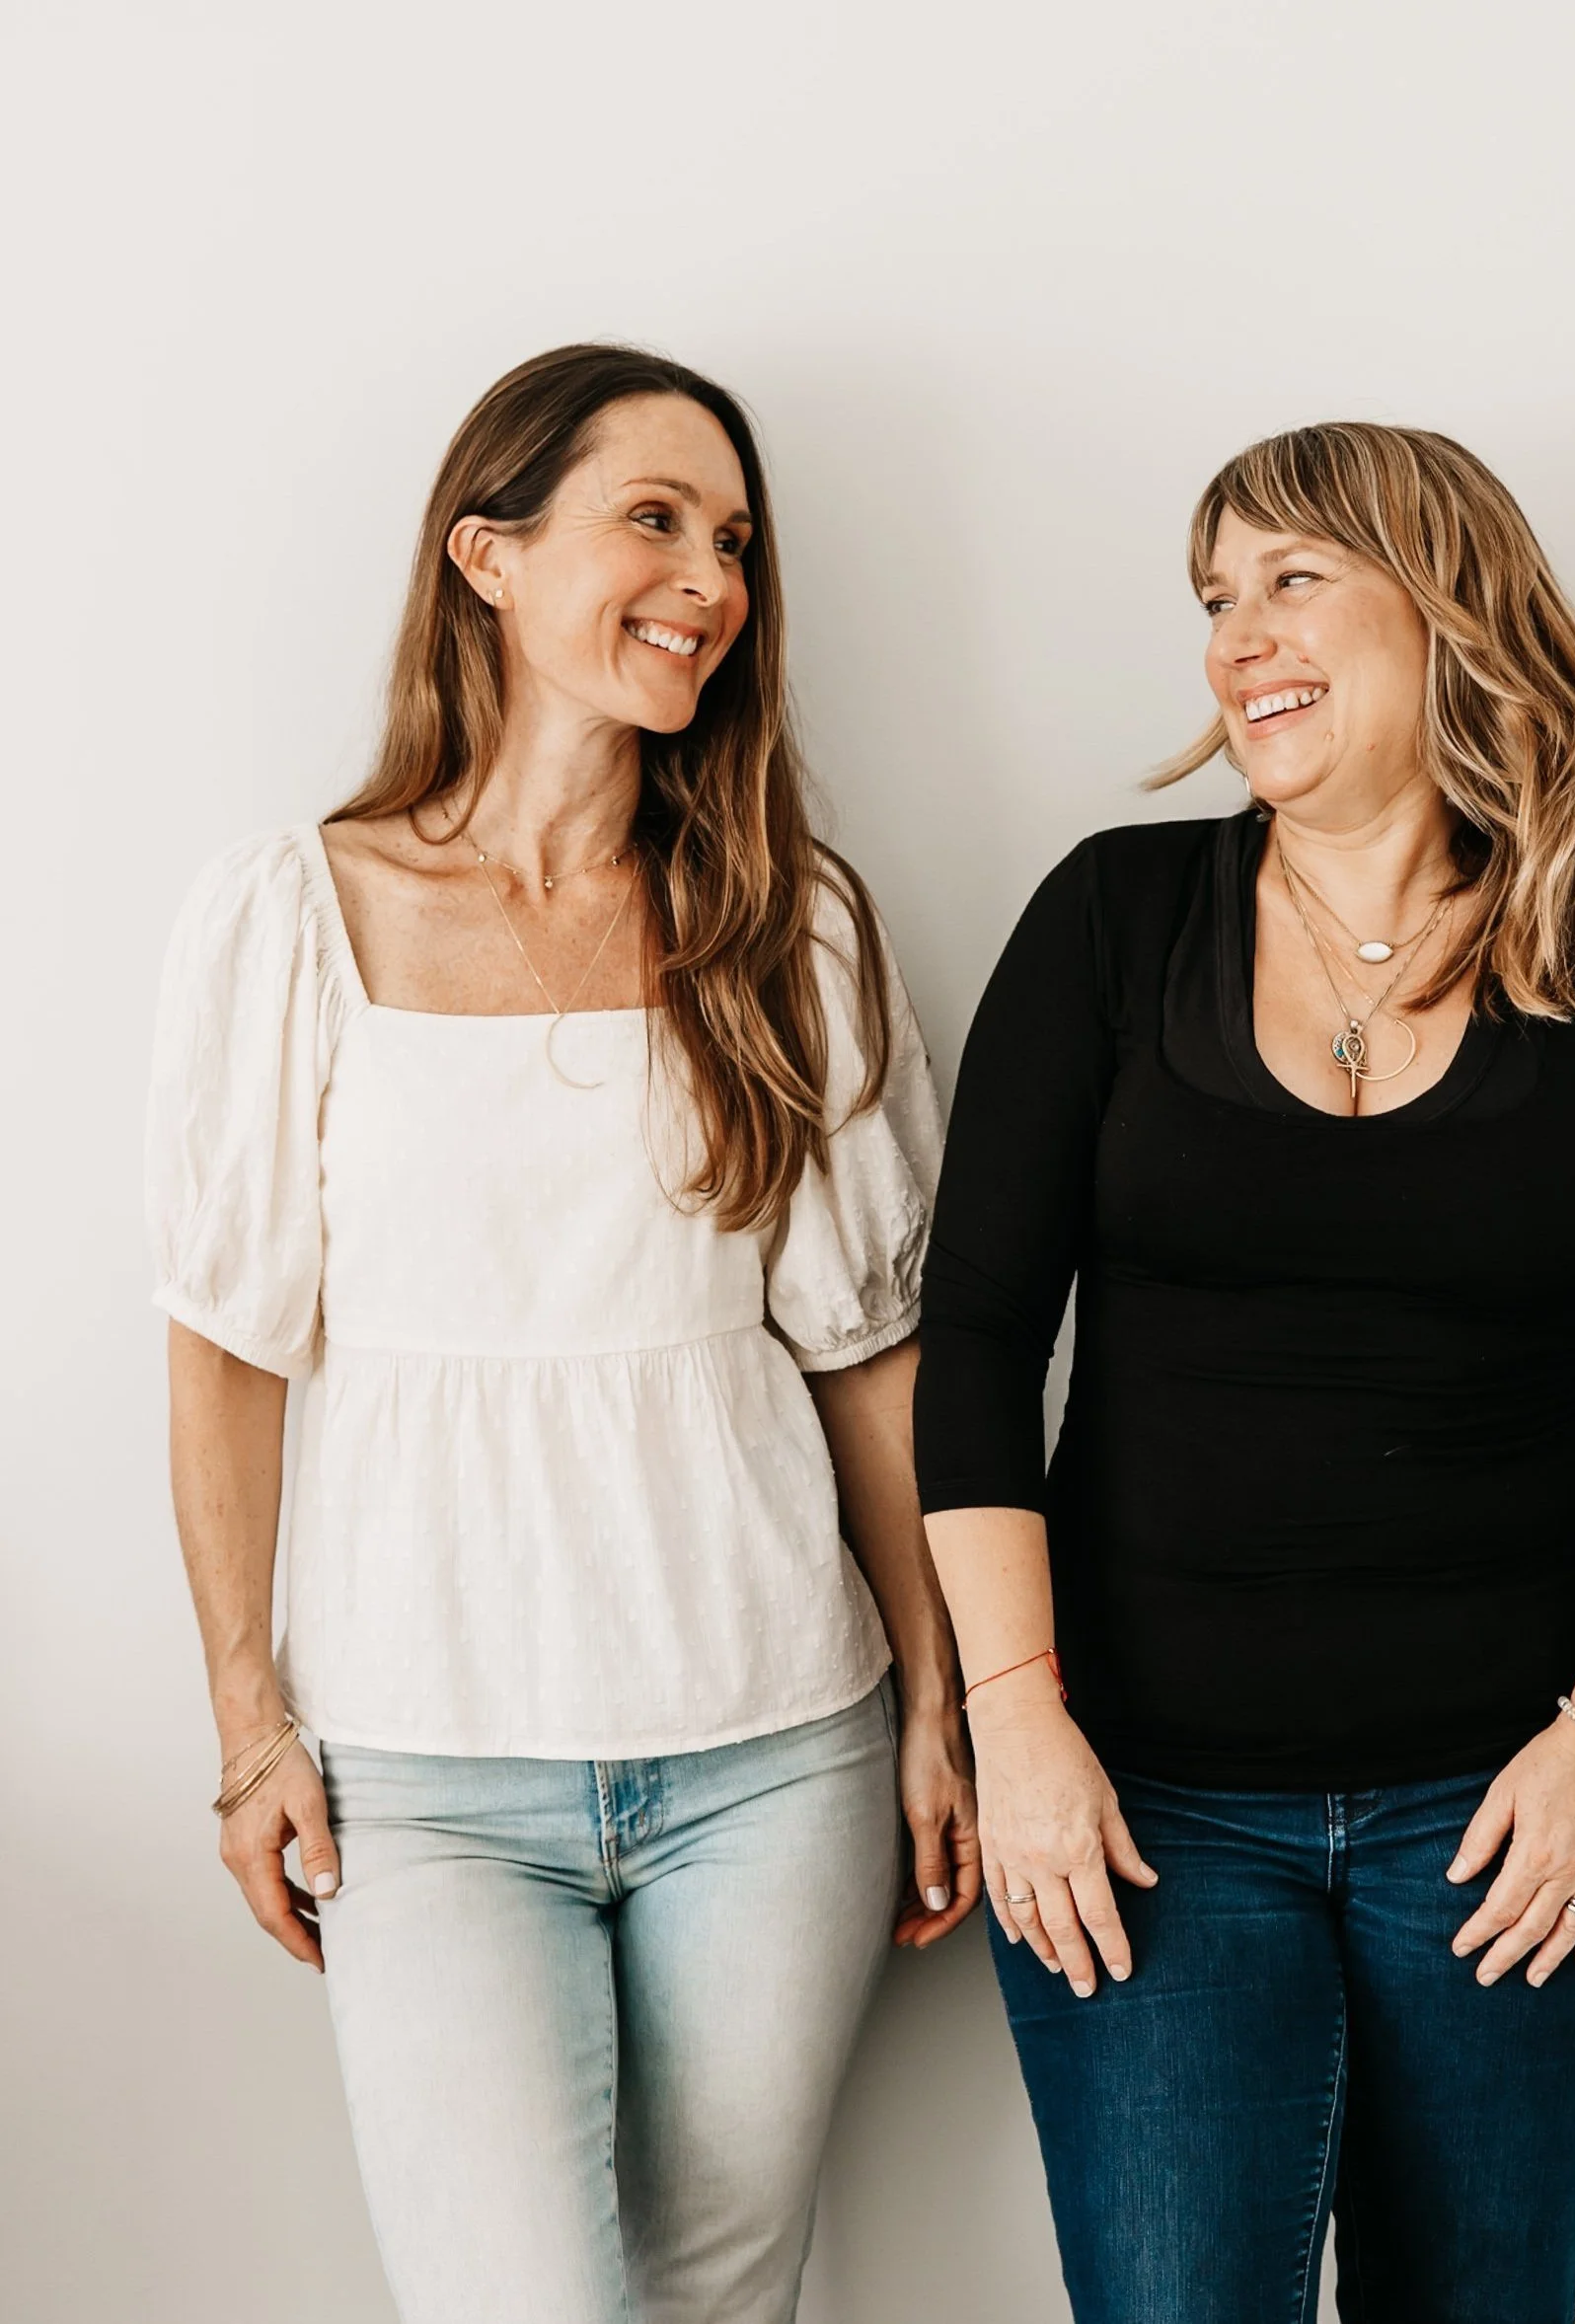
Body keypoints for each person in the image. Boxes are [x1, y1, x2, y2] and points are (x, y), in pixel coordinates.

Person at [148, 342, 978, 2324]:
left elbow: (869, 1355)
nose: (710, 579)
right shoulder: (293, 915)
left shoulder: (788, 923)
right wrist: (249, 1721)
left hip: (775, 1749)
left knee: (716, 2293)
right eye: (656, 520)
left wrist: (941, 1703)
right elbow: (221, 1354)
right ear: (485, 558)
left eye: (734, 542)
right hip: (425, 1775)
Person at [914, 421, 1575, 2324]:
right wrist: (1019, 1723)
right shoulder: (1118, 919)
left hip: (1514, 1799)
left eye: (1290, 577)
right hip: (1142, 1810)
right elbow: (972, 1336)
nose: (1237, 638)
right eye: (1213, 598)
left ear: (1446, 603)